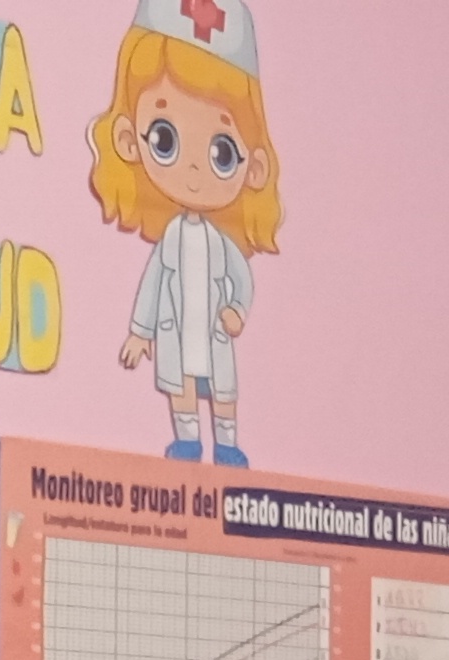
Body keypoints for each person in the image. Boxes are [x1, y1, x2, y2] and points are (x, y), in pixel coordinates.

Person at [88, 0, 285, 464]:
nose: (195, 170)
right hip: (177, 330)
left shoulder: (222, 242)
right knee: (182, 384)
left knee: (221, 388)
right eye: (165, 139)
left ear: (254, 167)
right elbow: (153, 283)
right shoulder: (172, 238)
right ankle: (188, 440)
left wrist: (237, 309)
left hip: (213, 332)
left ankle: (227, 444)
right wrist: (140, 333)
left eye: (222, 152)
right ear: (128, 139)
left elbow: (242, 277)